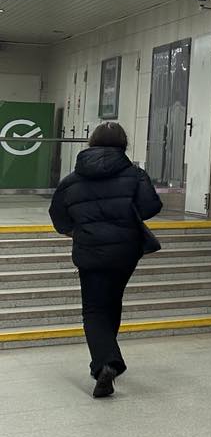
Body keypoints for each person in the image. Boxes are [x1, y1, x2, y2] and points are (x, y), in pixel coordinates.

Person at [48, 122, 163, 398]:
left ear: (92, 143)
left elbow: (58, 217)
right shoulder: (135, 175)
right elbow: (151, 206)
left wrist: (78, 230)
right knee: (112, 301)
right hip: (125, 251)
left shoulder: (71, 180)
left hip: (90, 251)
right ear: (123, 144)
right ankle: (104, 359)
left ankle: (105, 363)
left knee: (94, 309)